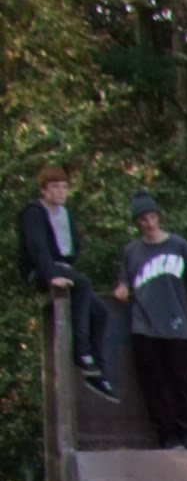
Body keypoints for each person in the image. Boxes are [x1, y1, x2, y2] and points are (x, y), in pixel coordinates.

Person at [113, 191, 187, 447]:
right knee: (154, 384)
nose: (149, 223)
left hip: (176, 323)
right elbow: (124, 282)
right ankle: (168, 436)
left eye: (152, 217)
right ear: (137, 223)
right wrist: (121, 288)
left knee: (182, 381)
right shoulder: (131, 251)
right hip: (144, 325)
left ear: (159, 217)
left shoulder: (179, 246)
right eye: (143, 219)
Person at [17, 164, 117, 401]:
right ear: (44, 190)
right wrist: (52, 275)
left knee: (100, 312)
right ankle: (81, 352)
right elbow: (37, 249)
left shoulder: (66, 214)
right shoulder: (34, 212)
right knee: (82, 283)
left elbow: (72, 248)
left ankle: (96, 370)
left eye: (63, 187)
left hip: (64, 269)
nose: (60, 192)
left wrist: (65, 269)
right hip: (41, 271)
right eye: (55, 187)